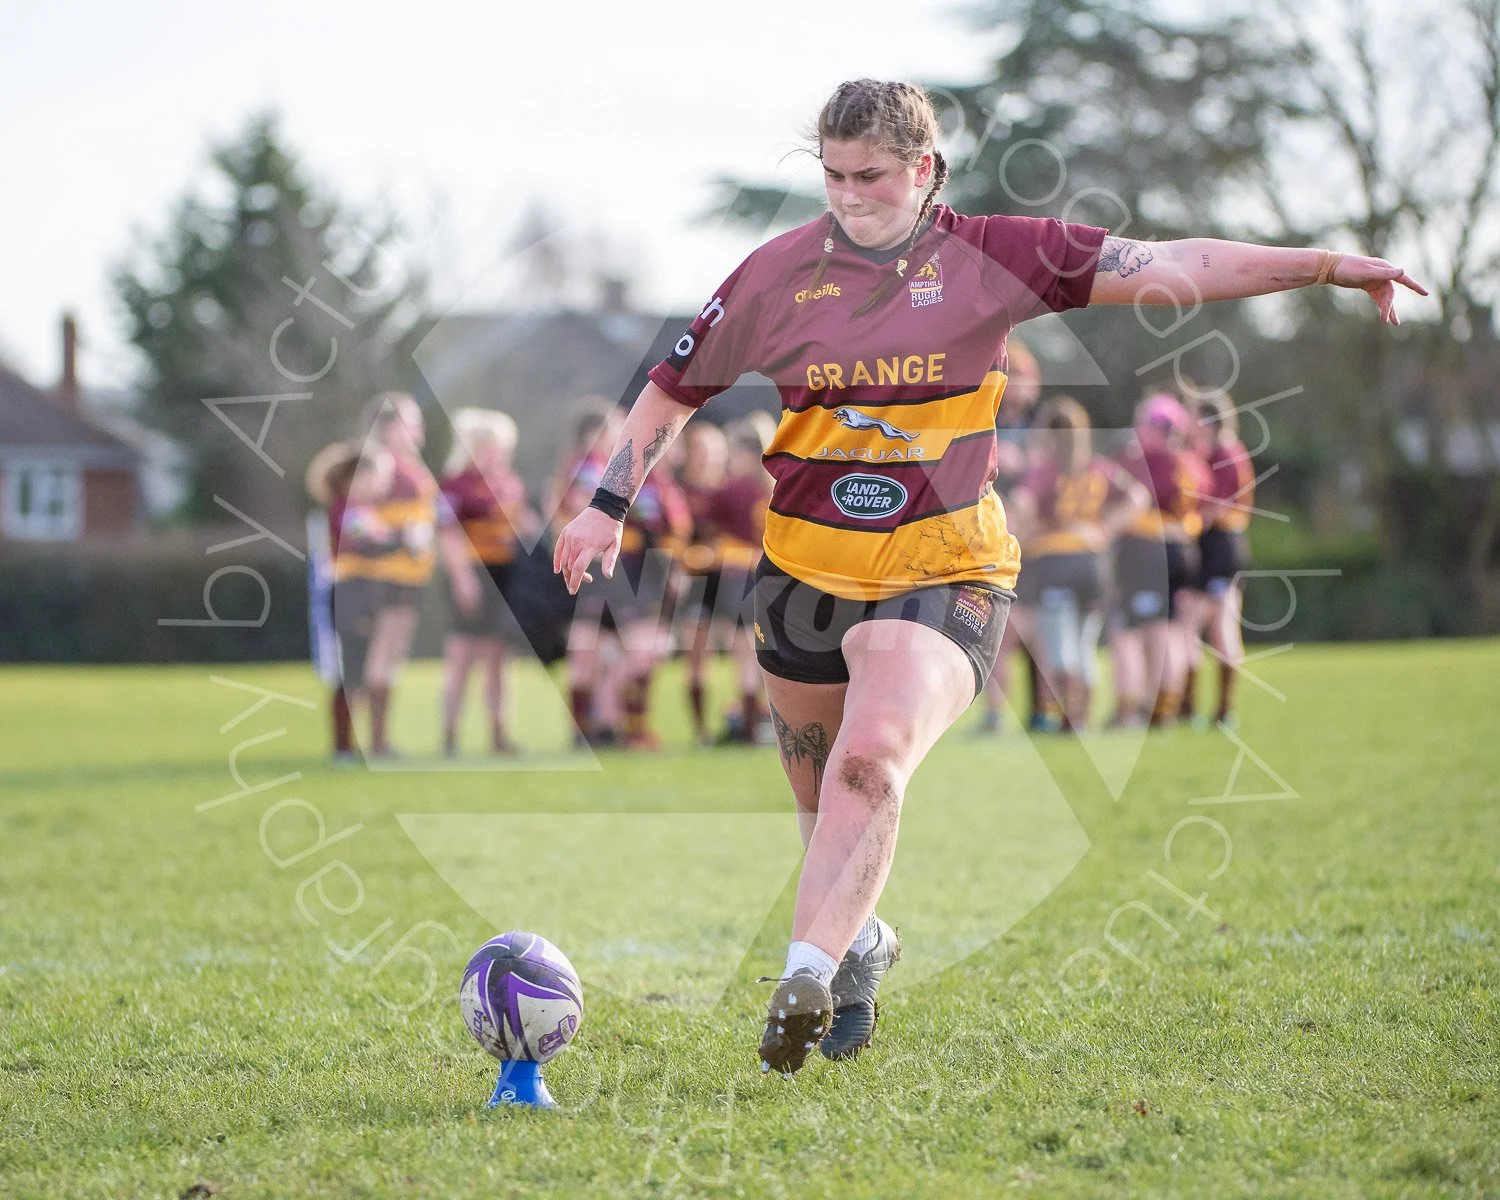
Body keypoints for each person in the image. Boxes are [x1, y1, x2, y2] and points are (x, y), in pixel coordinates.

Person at [552, 78, 1425, 1076]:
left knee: (870, 765)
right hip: (800, 573)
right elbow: (672, 388)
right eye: (833, 177)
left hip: (945, 564)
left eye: (871, 177)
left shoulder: (998, 256)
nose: (848, 196)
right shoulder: (774, 274)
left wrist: (1324, 266)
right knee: (821, 810)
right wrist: (604, 502)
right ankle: (861, 940)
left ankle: (802, 979)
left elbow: (1173, 261)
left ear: (926, 171)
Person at [1011, 397, 1148, 731]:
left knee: (1060, 647)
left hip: (1054, 561)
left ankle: (1070, 720)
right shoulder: (1099, 467)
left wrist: (1031, 534)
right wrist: (1104, 529)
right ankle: (1082, 717)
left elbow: (1020, 506)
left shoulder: (1045, 471)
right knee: (1085, 645)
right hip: (1092, 563)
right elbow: (1138, 496)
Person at [332, 392, 437, 757]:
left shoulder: (408, 466)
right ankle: (364, 744)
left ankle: (371, 742)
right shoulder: (377, 465)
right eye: (412, 422)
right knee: (374, 660)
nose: (419, 429)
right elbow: (360, 524)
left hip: (406, 576)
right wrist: (403, 539)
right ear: (390, 428)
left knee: (386, 660)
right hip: (383, 579)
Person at [437, 408, 537, 755]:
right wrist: (463, 579)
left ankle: (499, 735)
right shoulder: (456, 485)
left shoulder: (510, 483)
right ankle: (450, 736)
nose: (504, 452)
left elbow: (524, 523)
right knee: (462, 657)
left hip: (506, 576)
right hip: (474, 573)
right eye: (497, 445)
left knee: (499, 659)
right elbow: (448, 535)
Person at [1106, 393, 1205, 728]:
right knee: (1170, 629)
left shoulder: (1142, 460)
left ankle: (1130, 710)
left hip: (1147, 550)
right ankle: (1165, 708)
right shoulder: (1190, 462)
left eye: (1143, 422)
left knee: (1130, 634)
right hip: (1183, 549)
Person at [1180, 390, 1256, 726]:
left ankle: (1224, 710)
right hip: (1206, 544)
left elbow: (1217, 506)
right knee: (1190, 625)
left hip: (1222, 546)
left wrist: (1186, 523)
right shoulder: (1201, 453)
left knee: (1222, 627)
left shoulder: (1227, 452)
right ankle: (1189, 707)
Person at [676, 422, 732, 744]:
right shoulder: (681, 491)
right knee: (697, 655)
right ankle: (701, 730)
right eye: (701, 448)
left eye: (714, 449)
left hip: (730, 577)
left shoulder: (731, 488)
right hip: (696, 580)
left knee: (746, 651)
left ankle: (747, 723)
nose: (708, 456)